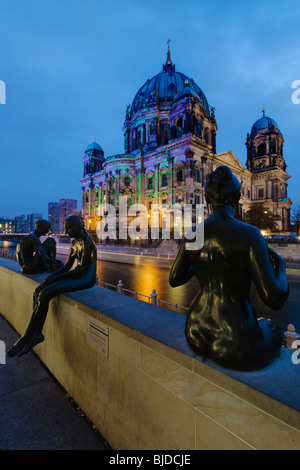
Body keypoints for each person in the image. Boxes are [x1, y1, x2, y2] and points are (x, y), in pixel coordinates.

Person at [169, 165, 289, 371]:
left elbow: (175, 279)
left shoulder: (195, 233)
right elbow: (274, 298)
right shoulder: (250, 234)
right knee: (272, 329)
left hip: (196, 329)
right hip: (235, 337)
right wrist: (281, 268)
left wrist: (201, 263)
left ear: (207, 199)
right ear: (236, 198)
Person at [7, 215, 97, 358]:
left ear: (77, 226)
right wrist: (53, 275)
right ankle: (34, 333)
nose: (66, 232)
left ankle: (29, 335)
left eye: (68, 228)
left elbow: (81, 269)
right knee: (38, 291)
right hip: (79, 275)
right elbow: (68, 265)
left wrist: (56, 276)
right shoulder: (74, 243)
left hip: (86, 278)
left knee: (45, 293)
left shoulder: (86, 241)